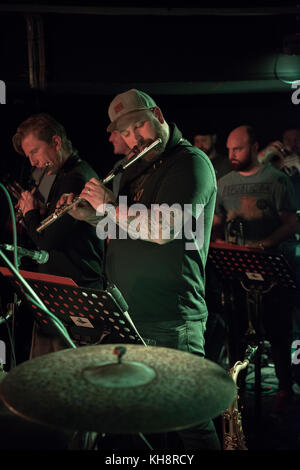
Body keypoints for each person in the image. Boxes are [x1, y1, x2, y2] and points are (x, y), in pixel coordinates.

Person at [58, 89, 221, 450]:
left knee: (189, 418)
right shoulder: (138, 169)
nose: (134, 139)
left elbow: (163, 230)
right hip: (129, 312)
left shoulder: (190, 163)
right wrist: (91, 216)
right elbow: (124, 229)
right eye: (126, 133)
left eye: (138, 126)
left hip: (171, 316)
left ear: (158, 116)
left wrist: (109, 203)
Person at [212, 124, 298, 412]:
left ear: (253, 146)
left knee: (278, 331)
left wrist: (263, 245)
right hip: (237, 273)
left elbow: (291, 222)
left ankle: (285, 389)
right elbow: (217, 224)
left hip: (273, 271)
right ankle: (236, 392)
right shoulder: (223, 183)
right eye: (229, 149)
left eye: (237, 148)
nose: (232, 154)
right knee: (236, 332)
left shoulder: (276, 180)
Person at [12, 113, 105, 357]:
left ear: (56, 142)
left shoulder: (74, 177)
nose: (32, 162)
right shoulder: (64, 175)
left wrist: (31, 213)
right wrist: (41, 212)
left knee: (63, 377)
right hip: (65, 294)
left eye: (35, 151)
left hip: (76, 295)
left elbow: (47, 240)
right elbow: (60, 229)